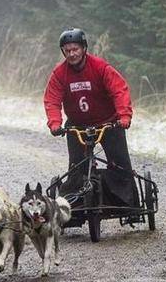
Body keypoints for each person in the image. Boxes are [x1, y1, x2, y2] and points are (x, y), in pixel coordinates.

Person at [43, 27, 137, 207]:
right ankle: (75, 206)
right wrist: (55, 123)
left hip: (109, 124)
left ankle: (126, 204)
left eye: (75, 49)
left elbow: (119, 90)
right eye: (67, 50)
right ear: (63, 51)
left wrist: (124, 116)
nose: (71, 54)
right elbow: (51, 100)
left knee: (120, 165)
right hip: (77, 127)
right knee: (77, 168)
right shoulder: (59, 74)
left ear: (84, 48)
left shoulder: (101, 67)